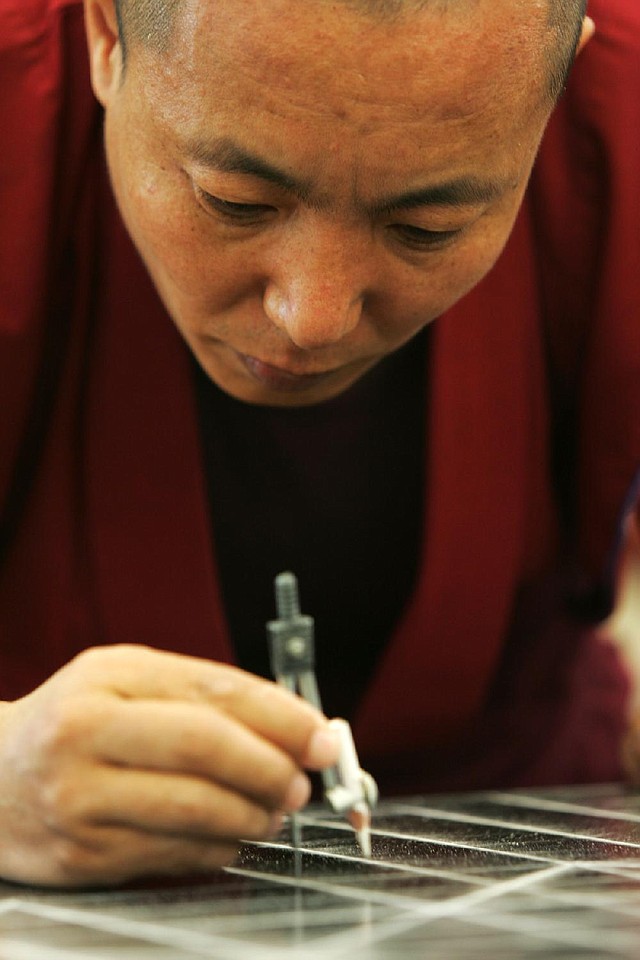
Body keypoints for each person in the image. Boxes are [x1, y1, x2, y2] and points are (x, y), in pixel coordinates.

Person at [0, 0, 638, 887]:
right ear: (105, 34)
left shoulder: (624, 118)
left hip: (533, 855)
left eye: (426, 228)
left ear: (560, 80)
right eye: (237, 202)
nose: (313, 317)